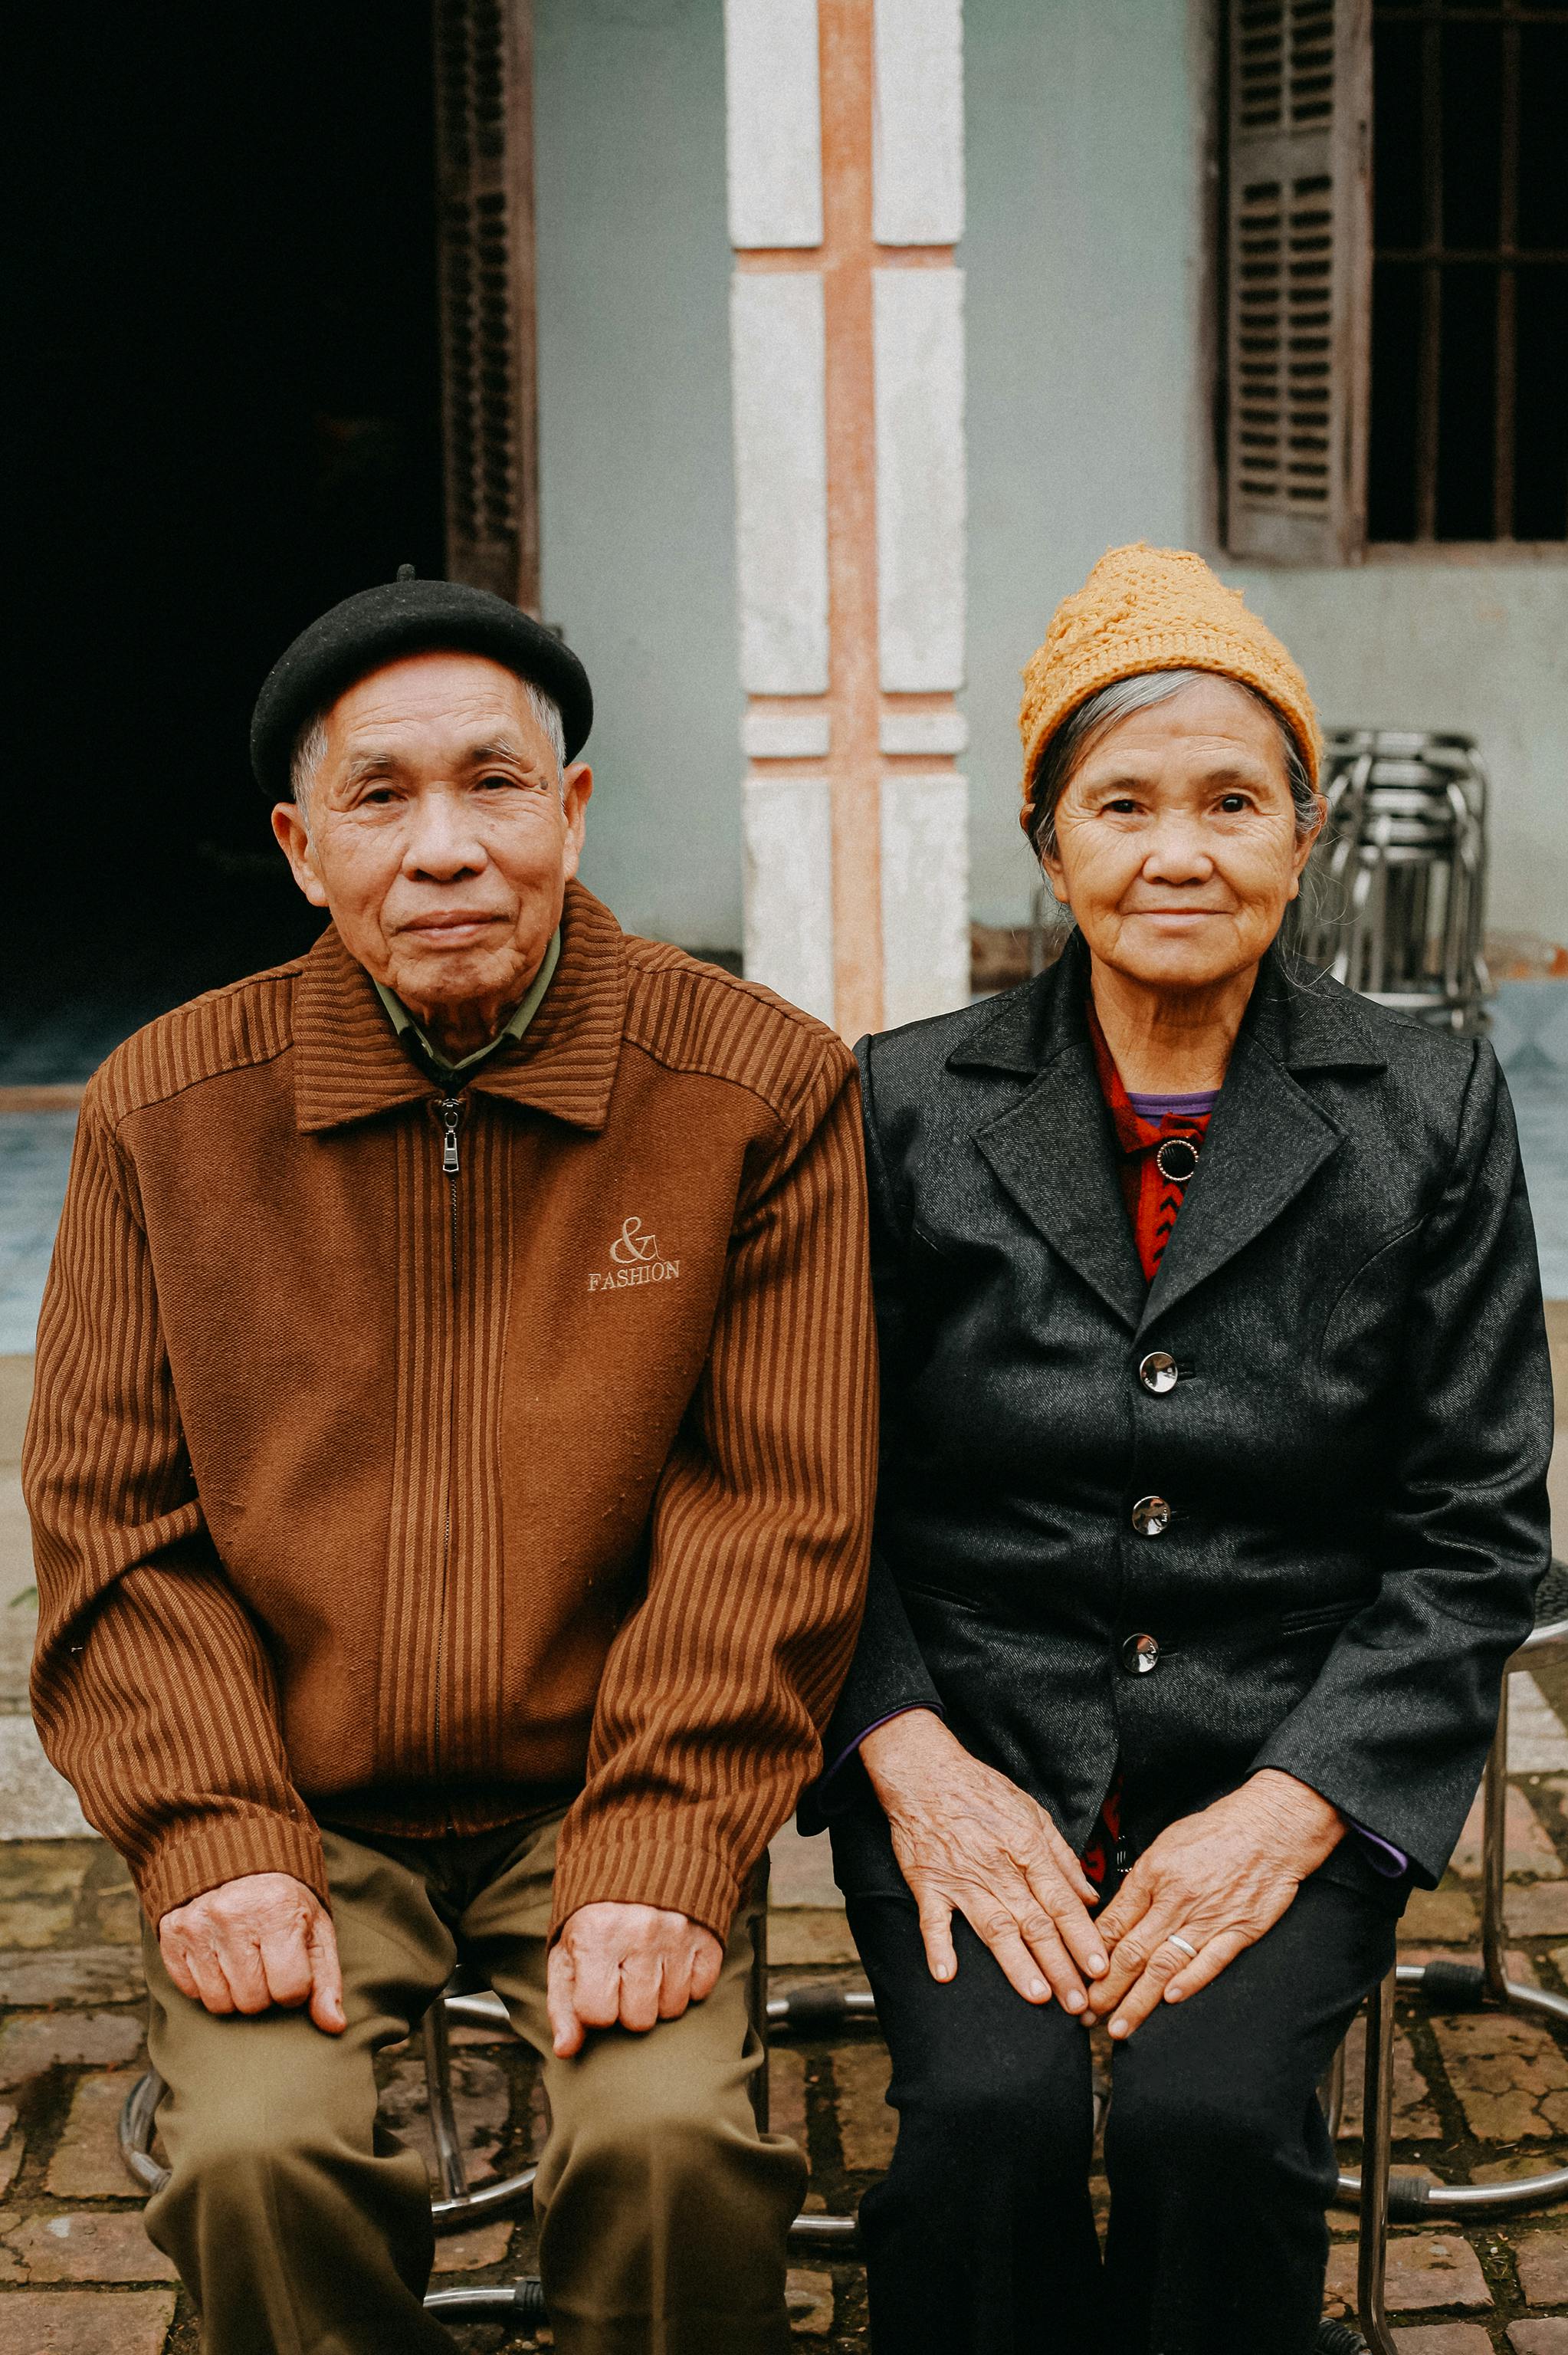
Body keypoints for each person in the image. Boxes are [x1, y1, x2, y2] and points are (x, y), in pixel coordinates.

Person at [24, 573, 875, 2355]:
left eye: (494, 786)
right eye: (380, 798)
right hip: (296, 1794)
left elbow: (778, 1509)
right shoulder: (161, 1110)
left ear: (567, 813)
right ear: (298, 846)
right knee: (254, 2157)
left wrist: (661, 1836)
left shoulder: (755, 1088)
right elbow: (112, 1526)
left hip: (603, 1783)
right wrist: (219, 1836)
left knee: (667, 2156)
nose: (444, 851)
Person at [811, 544, 1554, 2354]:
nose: (1177, 852)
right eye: (1121, 803)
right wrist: (909, 1755)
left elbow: (1476, 1533)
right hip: (975, 1747)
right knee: (981, 2127)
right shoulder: (905, 1103)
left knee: (1209, 2124)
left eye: (1234, 802)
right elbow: (807, 1491)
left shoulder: (1426, 1106)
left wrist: (1289, 1810)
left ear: (1302, 839)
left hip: (1284, 1751)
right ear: (1046, 841)